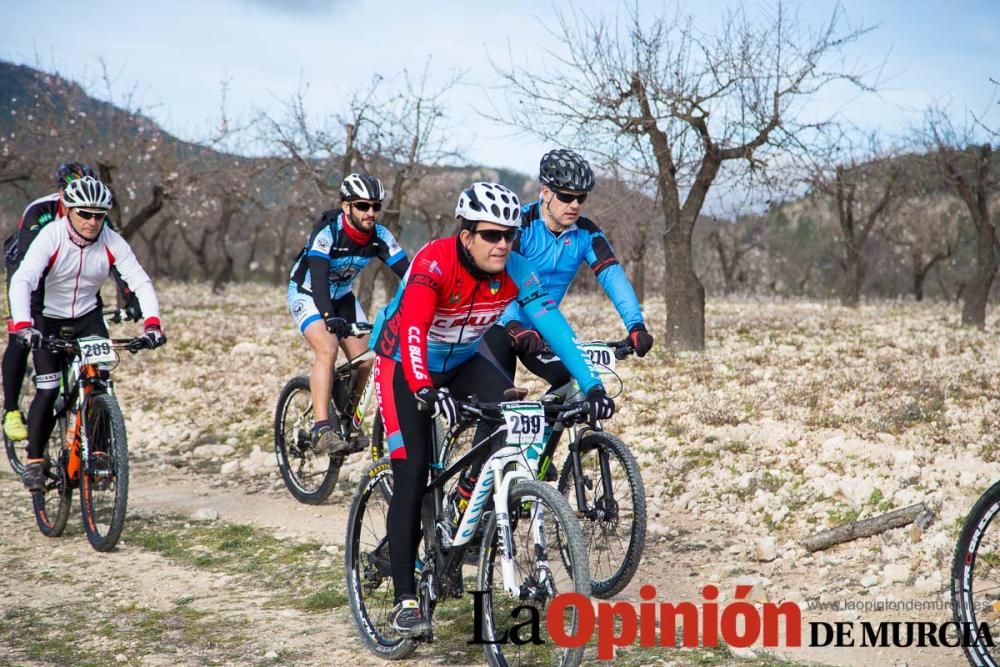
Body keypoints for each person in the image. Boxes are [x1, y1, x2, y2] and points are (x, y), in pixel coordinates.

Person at [369, 181, 616, 637]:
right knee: (413, 472)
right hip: (405, 363)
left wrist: (591, 383)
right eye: (490, 235)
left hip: (463, 361)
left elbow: (552, 324)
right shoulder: (434, 261)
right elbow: (415, 331)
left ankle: (466, 512)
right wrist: (423, 387)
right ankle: (405, 599)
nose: (502, 243)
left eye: (509, 234)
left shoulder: (516, 268)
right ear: (466, 235)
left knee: (509, 420)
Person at [8, 175, 165, 491]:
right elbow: (23, 280)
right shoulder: (51, 236)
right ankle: (35, 460)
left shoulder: (111, 240)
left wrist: (152, 325)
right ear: (68, 210)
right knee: (49, 388)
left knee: (100, 380)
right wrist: (24, 326)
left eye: (99, 215)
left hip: (87, 316)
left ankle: (100, 451)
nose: (93, 222)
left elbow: (140, 281)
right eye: (85, 214)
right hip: (46, 315)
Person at [482, 148, 654, 395]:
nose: (574, 205)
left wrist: (636, 325)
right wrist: (512, 323)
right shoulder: (519, 225)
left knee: (568, 384)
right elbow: (500, 278)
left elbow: (613, 277)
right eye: (565, 196)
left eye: (581, 198)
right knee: (498, 405)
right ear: (545, 193)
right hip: (498, 324)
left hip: (542, 329)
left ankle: (542, 433)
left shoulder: (586, 233)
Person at [2, 162, 141, 442]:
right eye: (71, 192)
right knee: (19, 334)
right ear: (61, 192)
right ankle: (11, 410)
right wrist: (29, 317)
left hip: (73, 285)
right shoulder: (39, 211)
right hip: (29, 271)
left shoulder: (96, 216)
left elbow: (112, 259)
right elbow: (29, 265)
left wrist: (130, 296)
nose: (89, 214)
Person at [287, 172, 409, 455]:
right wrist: (329, 318)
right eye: (363, 206)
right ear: (346, 207)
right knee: (327, 349)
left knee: (368, 360)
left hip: (342, 297)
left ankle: (349, 419)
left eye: (376, 207)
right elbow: (318, 278)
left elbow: (411, 274)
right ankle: (321, 430)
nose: (371, 213)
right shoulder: (327, 232)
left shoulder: (380, 236)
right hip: (308, 294)